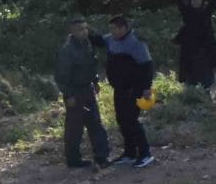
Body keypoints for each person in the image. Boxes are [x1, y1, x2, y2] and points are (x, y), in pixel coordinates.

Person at [55, 18, 111, 171]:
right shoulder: (67, 50)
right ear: (72, 31)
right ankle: (73, 159)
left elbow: (91, 65)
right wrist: (68, 95)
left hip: (87, 89)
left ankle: (102, 157)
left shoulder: (87, 44)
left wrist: (96, 82)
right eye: (80, 29)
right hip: (75, 91)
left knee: (95, 124)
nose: (84, 32)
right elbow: (61, 76)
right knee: (74, 127)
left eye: (86, 29)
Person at [102, 14, 156, 167]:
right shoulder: (111, 39)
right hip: (119, 88)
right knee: (121, 120)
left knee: (131, 120)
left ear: (123, 28)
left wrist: (146, 88)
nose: (111, 32)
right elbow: (99, 39)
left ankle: (145, 154)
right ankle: (130, 153)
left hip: (134, 89)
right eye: (111, 29)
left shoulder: (136, 43)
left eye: (114, 29)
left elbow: (147, 67)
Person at [174, 0, 216, 91]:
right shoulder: (187, 12)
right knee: (190, 81)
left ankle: (205, 98)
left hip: (205, 52)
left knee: (206, 82)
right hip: (189, 51)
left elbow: (215, 0)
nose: (196, 1)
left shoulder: (206, 12)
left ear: (202, 0)